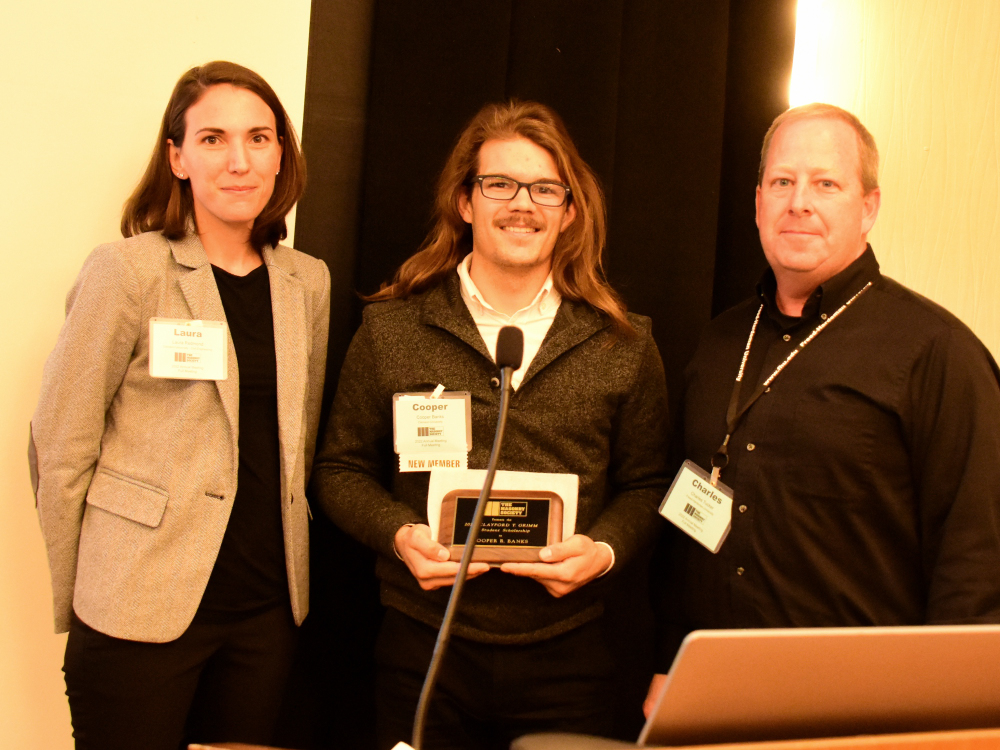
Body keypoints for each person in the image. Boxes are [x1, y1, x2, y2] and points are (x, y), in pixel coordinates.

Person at [310, 100, 669, 749]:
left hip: (569, 660)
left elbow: (646, 484)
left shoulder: (624, 344)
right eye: (499, 184)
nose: (521, 204)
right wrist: (398, 535)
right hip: (424, 648)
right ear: (465, 202)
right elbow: (339, 469)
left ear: (569, 209)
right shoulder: (392, 329)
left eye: (543, 188)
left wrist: (604, 551)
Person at [647, 102, 1000, 714]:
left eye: (826, 184)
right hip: (714, 696)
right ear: (758, 202)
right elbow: (684, 525)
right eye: (782, 182)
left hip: (860, 707)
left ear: (868, 207)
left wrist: (945, 717)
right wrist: (668, 663)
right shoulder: (720, 341)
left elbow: (977, 562)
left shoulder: (937, 353)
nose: (799, 202)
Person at [29, 61, 330, 750]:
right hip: (137, 606)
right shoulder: (127, 271)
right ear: (178, 156)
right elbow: (59, 442)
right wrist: (89, 593)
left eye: (259, 139)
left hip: (264, 611)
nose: (239, 160)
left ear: (281, 154)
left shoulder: (305, 281)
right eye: (214, 139)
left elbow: (298, 439)